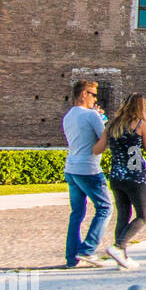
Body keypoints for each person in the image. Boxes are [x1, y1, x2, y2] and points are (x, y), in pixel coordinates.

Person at [92, 93, 146, 269]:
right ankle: (118, 247)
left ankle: (121, 257)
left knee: (123, 216)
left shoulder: (112, 125)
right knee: (143, 215)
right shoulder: (140, 125)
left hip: (116, 177)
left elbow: (97, 149)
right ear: (141, 107)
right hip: (135, 177)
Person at [62, 80, 112, 268]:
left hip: (71, 168)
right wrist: (102, 118)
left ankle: (71, 257)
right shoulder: (91, 115)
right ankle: (87, 249)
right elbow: (104, 137)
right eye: (92, 94)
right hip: (89, 169)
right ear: (83, 94)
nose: (95, 98)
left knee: (76, 213)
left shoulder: (68, 116)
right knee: (105, 207)